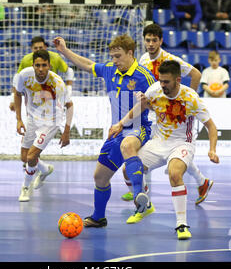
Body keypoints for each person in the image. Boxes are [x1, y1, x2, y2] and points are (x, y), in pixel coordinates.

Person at [109, 60, 220, 239]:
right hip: (158, 142)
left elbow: (211, 126)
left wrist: (212, 150)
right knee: (128, 171)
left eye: (166, 82)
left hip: (182, 143)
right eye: (160, 80)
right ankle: (144, 204)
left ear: (177, 80)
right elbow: (142, 106)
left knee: (175, 174)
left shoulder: (191, 98)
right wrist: (121, 124)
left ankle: (182, 225)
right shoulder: (155, 89)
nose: (162, 85)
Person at [54, 34, 156, 227]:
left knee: (128, 145)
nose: (114, 61)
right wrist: (64, 51)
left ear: (130, 53)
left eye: (118, 56)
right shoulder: (110, 70)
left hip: (138, 128)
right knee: (99, 177)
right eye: (112, 57)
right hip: (116, 131)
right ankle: (98, 217)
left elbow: (151, 104)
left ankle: (141, 201)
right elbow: (87, 64)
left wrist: (131, 116)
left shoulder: (144, 76)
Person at [122, 23, 213, 204]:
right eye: (147, 40)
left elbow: (196, 74)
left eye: (154, 40)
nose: (150, 44)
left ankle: (141, 189)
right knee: (167, 148)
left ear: (160, 41)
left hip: (177, 114)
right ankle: (201, 182)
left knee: (175, 147)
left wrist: (185, 102)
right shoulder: (143, 59)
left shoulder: (171, 59)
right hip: (157, 112)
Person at [13, 49, 73, 202]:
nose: (40, 69)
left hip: (51, 122)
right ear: (33, 65)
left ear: (50, 66)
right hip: (33, 119)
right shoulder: (24, 75)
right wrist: (19, 119)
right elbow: (17, 94)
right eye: (37, 65)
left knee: (32, 156)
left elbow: (69, 105)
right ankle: (45, 170)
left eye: (44, 65)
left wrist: (66, 131)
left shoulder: (58, 83)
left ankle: (25, 188)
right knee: (24, 157)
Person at [10, 36, 74, 109]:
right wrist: (13, 99)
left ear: (45, 47)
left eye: (41, 48)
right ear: (31, 49)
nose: (38, 50)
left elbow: (69, 71)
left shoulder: (55, 57)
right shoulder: (26, 60)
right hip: (34, 92)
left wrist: (68, 92)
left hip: (52, 90)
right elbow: (17, 77)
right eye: (35, 48)